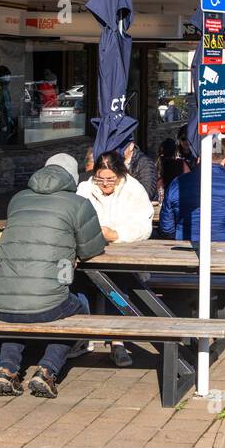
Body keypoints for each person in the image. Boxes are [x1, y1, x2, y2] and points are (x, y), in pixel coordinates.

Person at [0, 153, 106, 399]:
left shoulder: (18, 199)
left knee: (19, 311)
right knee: (79, 308)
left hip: (0, 302)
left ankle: (7, 368)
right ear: (73, 178)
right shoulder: (78, 204)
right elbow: (91, 250)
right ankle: (47, 370)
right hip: (47, 303)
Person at [76, 151, 152, 368]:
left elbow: (143, 226)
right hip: (89, 252)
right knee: (76, 282)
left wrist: (116, 234)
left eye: (110, 179)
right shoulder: (85, 188)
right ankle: (82, 335)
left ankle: (117, 340)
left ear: (120, 175)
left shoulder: (133, 189)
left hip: (123, 253)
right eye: (100, 179)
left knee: (117, 285)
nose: (105, 184)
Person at [159, 138, 225, 243]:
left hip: (186, 246)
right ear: (224, 160)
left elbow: (166, 228)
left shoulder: (177, 183)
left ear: (199, 159)